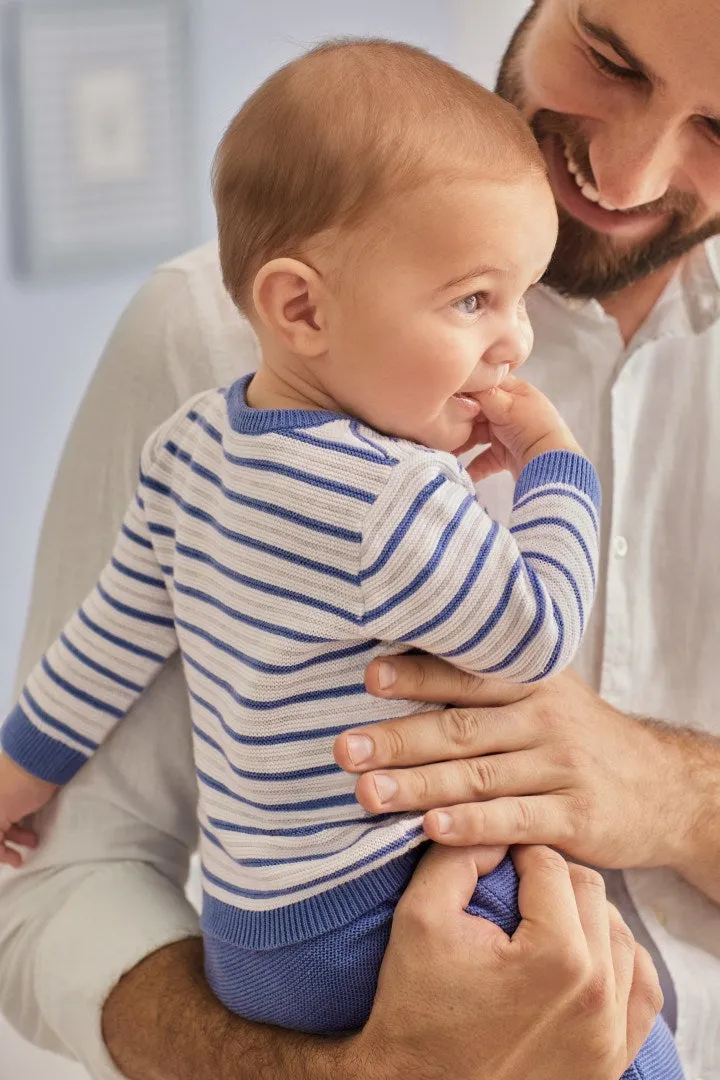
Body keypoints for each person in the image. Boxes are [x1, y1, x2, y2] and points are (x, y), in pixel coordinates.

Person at [1, 0, 719, 1075]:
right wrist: (554, 474)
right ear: (297, 308)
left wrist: (670, 792)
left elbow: (100, 649)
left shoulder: (199, 445)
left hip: (265, 938)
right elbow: (57, 890)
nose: (625, 174)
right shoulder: (240, 365)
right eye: (609, 60)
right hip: (365, 936)